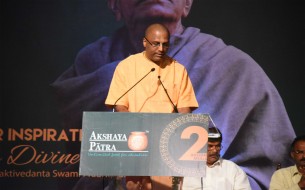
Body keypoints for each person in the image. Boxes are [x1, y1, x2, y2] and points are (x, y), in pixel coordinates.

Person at [51, 0, 296, 189]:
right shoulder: (88, 67)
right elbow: (69, 174)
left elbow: (277, 178)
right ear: (114, 3)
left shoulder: (234, 70)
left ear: (187, 3)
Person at [105, 23, 199, 189]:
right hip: (134, 143)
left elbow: (185, 111)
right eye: (156, 44)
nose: (161, 49)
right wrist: (139, 129)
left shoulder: (178, 70)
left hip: (165, 146)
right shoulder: (126, 67)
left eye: (165, 44)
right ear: (144, 42)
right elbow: (120, 106)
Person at [183, 127, 251, 190]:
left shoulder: (233, 169)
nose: (215, 150)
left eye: (218, 146)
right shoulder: (185, 169)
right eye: (210, 146)